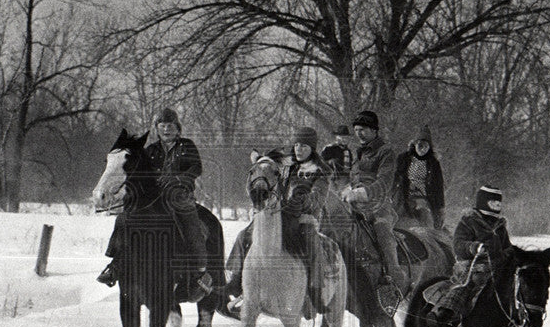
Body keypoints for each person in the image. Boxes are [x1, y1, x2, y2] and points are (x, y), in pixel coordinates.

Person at [97, 107, 212, 302]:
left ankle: (199, 271)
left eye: (170, 126)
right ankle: (115, 264)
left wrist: (177, 178)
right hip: (154, 195)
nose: (166, 129)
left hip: (179, 194)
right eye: (162, 126)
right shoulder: (150, 150)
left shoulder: (187, 146)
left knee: (190, 218)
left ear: (177, 128)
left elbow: (196, 168)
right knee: (125, 217)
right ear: (157, 129)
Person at [224, 127, 337, 314]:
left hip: (303, 218)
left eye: (305, 146)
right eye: (297, 145)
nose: (299, 149)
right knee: (244, 234)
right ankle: (236, 281)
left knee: (312, 242)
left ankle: (315, 291)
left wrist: (301, 200)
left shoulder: (320, 172)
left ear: (312, 149)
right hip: (277, 213)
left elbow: (317, 199)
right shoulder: (286, 166)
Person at [429, 186, 543, 327]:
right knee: (465, 289)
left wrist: (515, 256)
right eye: (493, 201)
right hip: (472, 267)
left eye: (499, 202)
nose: (497, 205)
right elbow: (458, 245)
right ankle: (442, 321)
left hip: (497, 267)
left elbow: (506, 247)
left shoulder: (499, 225)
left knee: (516, 296)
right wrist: (474, 247)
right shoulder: (468, 222)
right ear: (483, 202)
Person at [340, 110, 406, 286]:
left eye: (363, 129)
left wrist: (362, 193)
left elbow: (385, 182)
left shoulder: (386, 152)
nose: (359, 133)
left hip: (379, 206)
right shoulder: (357, 152)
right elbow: (351, 177)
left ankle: (395, 276)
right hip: (354, 206)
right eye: (356, 129)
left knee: (382, 231)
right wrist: (346, 189)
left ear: (374, 130)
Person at [394, 124, 445, 228]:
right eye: (420, 146)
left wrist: (440, 208)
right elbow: (394, 177)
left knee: (425, 218)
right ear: (415, 145)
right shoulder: (404, 159)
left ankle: (428, 239)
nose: (423, 150)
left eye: (426, 147)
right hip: (403, 196)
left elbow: (438, 186)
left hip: (422, 198)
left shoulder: (433, 163)